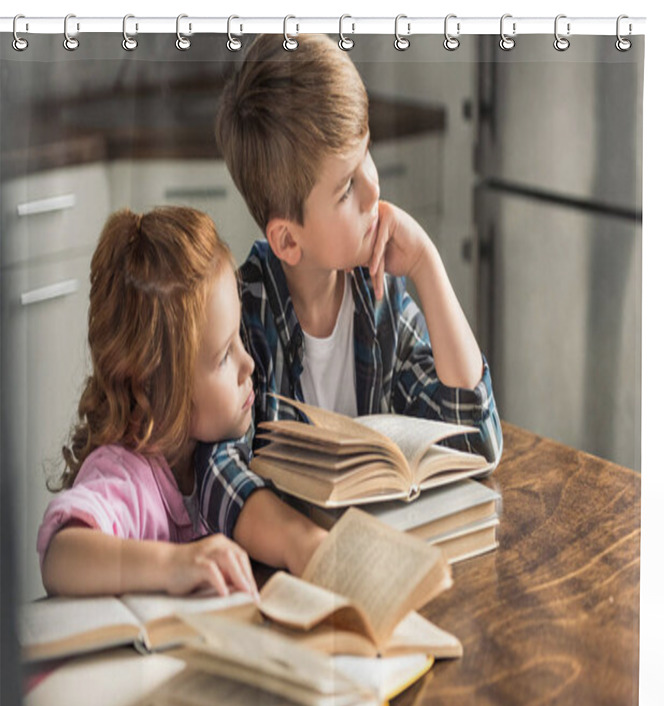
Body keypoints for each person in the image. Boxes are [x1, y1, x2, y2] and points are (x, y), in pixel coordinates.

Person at [198, 33, 503, 568]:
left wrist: (429, 267)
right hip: (293, 585)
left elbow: (476, 441)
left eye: (367, 156)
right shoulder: (244, 314)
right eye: (344, 190)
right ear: (288, 240)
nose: (372, 192)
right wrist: (308, 546)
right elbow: (215, 469)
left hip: (375, 566)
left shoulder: (375, 293)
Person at [37, 207, 260, 600]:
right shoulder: (126, 474)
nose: (249, 364)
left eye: (239, 336)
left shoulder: (222, 449)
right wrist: (176, 564)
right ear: (156, 386)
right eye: (224, 355)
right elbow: (61, 555)